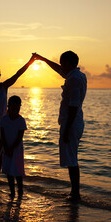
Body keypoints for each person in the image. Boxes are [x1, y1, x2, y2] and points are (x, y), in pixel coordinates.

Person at [33, 51, 87, 201]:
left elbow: (74, 105)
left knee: (72, 161)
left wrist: (67, 128)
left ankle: (75, 194)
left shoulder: (74, 79)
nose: (61, 65)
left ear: (69, 63)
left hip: (71, 122)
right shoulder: (77, 75)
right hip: (74, 121)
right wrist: (43, 59)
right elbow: (59, 69)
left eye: (63, 62)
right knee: (72, 159)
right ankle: (74, 193)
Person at [0, 55, 35, 185]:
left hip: (2, 126)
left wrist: (30, 62)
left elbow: (17, 74)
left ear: (0, 75)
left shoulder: (4, 87)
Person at [0, 96, 27, 198]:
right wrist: (6, 147)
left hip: (17, 150)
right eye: (13, 108)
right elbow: (2, 135)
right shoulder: (4, 119)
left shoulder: (21, 120)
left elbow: (20, 137)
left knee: (18, 172)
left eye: (18, 108)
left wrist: (12, 148)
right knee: (8, 172)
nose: (15, 110)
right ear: (8, 107)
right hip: (6, 148)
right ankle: (12, 191)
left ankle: (20, 191)